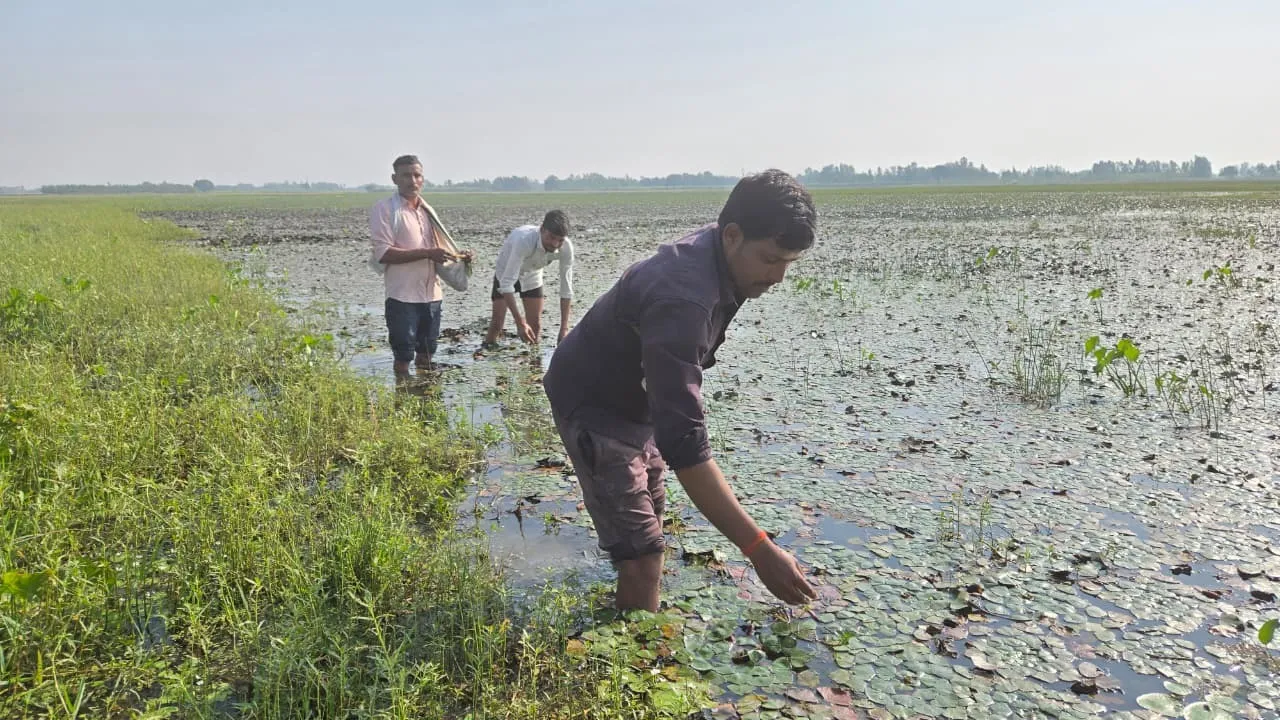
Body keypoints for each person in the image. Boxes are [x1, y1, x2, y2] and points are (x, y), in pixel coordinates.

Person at [542, 169, 819, 612]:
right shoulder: (683, 298)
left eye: (789, 262)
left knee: (650, 520)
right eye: (771, 259)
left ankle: (631, 607)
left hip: (636, 399)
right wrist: (759, 549)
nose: (779, 276)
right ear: (732, 235)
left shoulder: (727, 257)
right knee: (643, 558)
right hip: (594, 406)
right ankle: (635, 650)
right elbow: (684, 443)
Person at [369, 154, 474, 376]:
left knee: (427, 354)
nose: (412, 180)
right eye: (406, 175)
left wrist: (459, 256)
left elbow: (439, 249)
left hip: (432, 297)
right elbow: (383, 253)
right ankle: (403, 393)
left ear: (423, 179)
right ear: (395, 179)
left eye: (417, 175)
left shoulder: (427, 211)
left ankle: (425, 394)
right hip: (402, 297)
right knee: (403, 358)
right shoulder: (386, 209)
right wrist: (427, 253)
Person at [482, 210, 575, 348]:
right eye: (551, 237)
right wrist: (520, 323)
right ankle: (487, 349)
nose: (555, 244)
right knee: (497, 323)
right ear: (542, 229)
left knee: (535, 325)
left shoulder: (566, 247)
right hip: (506, 271)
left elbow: (566, 290)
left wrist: (564, 329)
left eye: (560, 240)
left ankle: (534, 359)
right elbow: (507, 284)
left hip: (532, 273)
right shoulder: (524, 240)